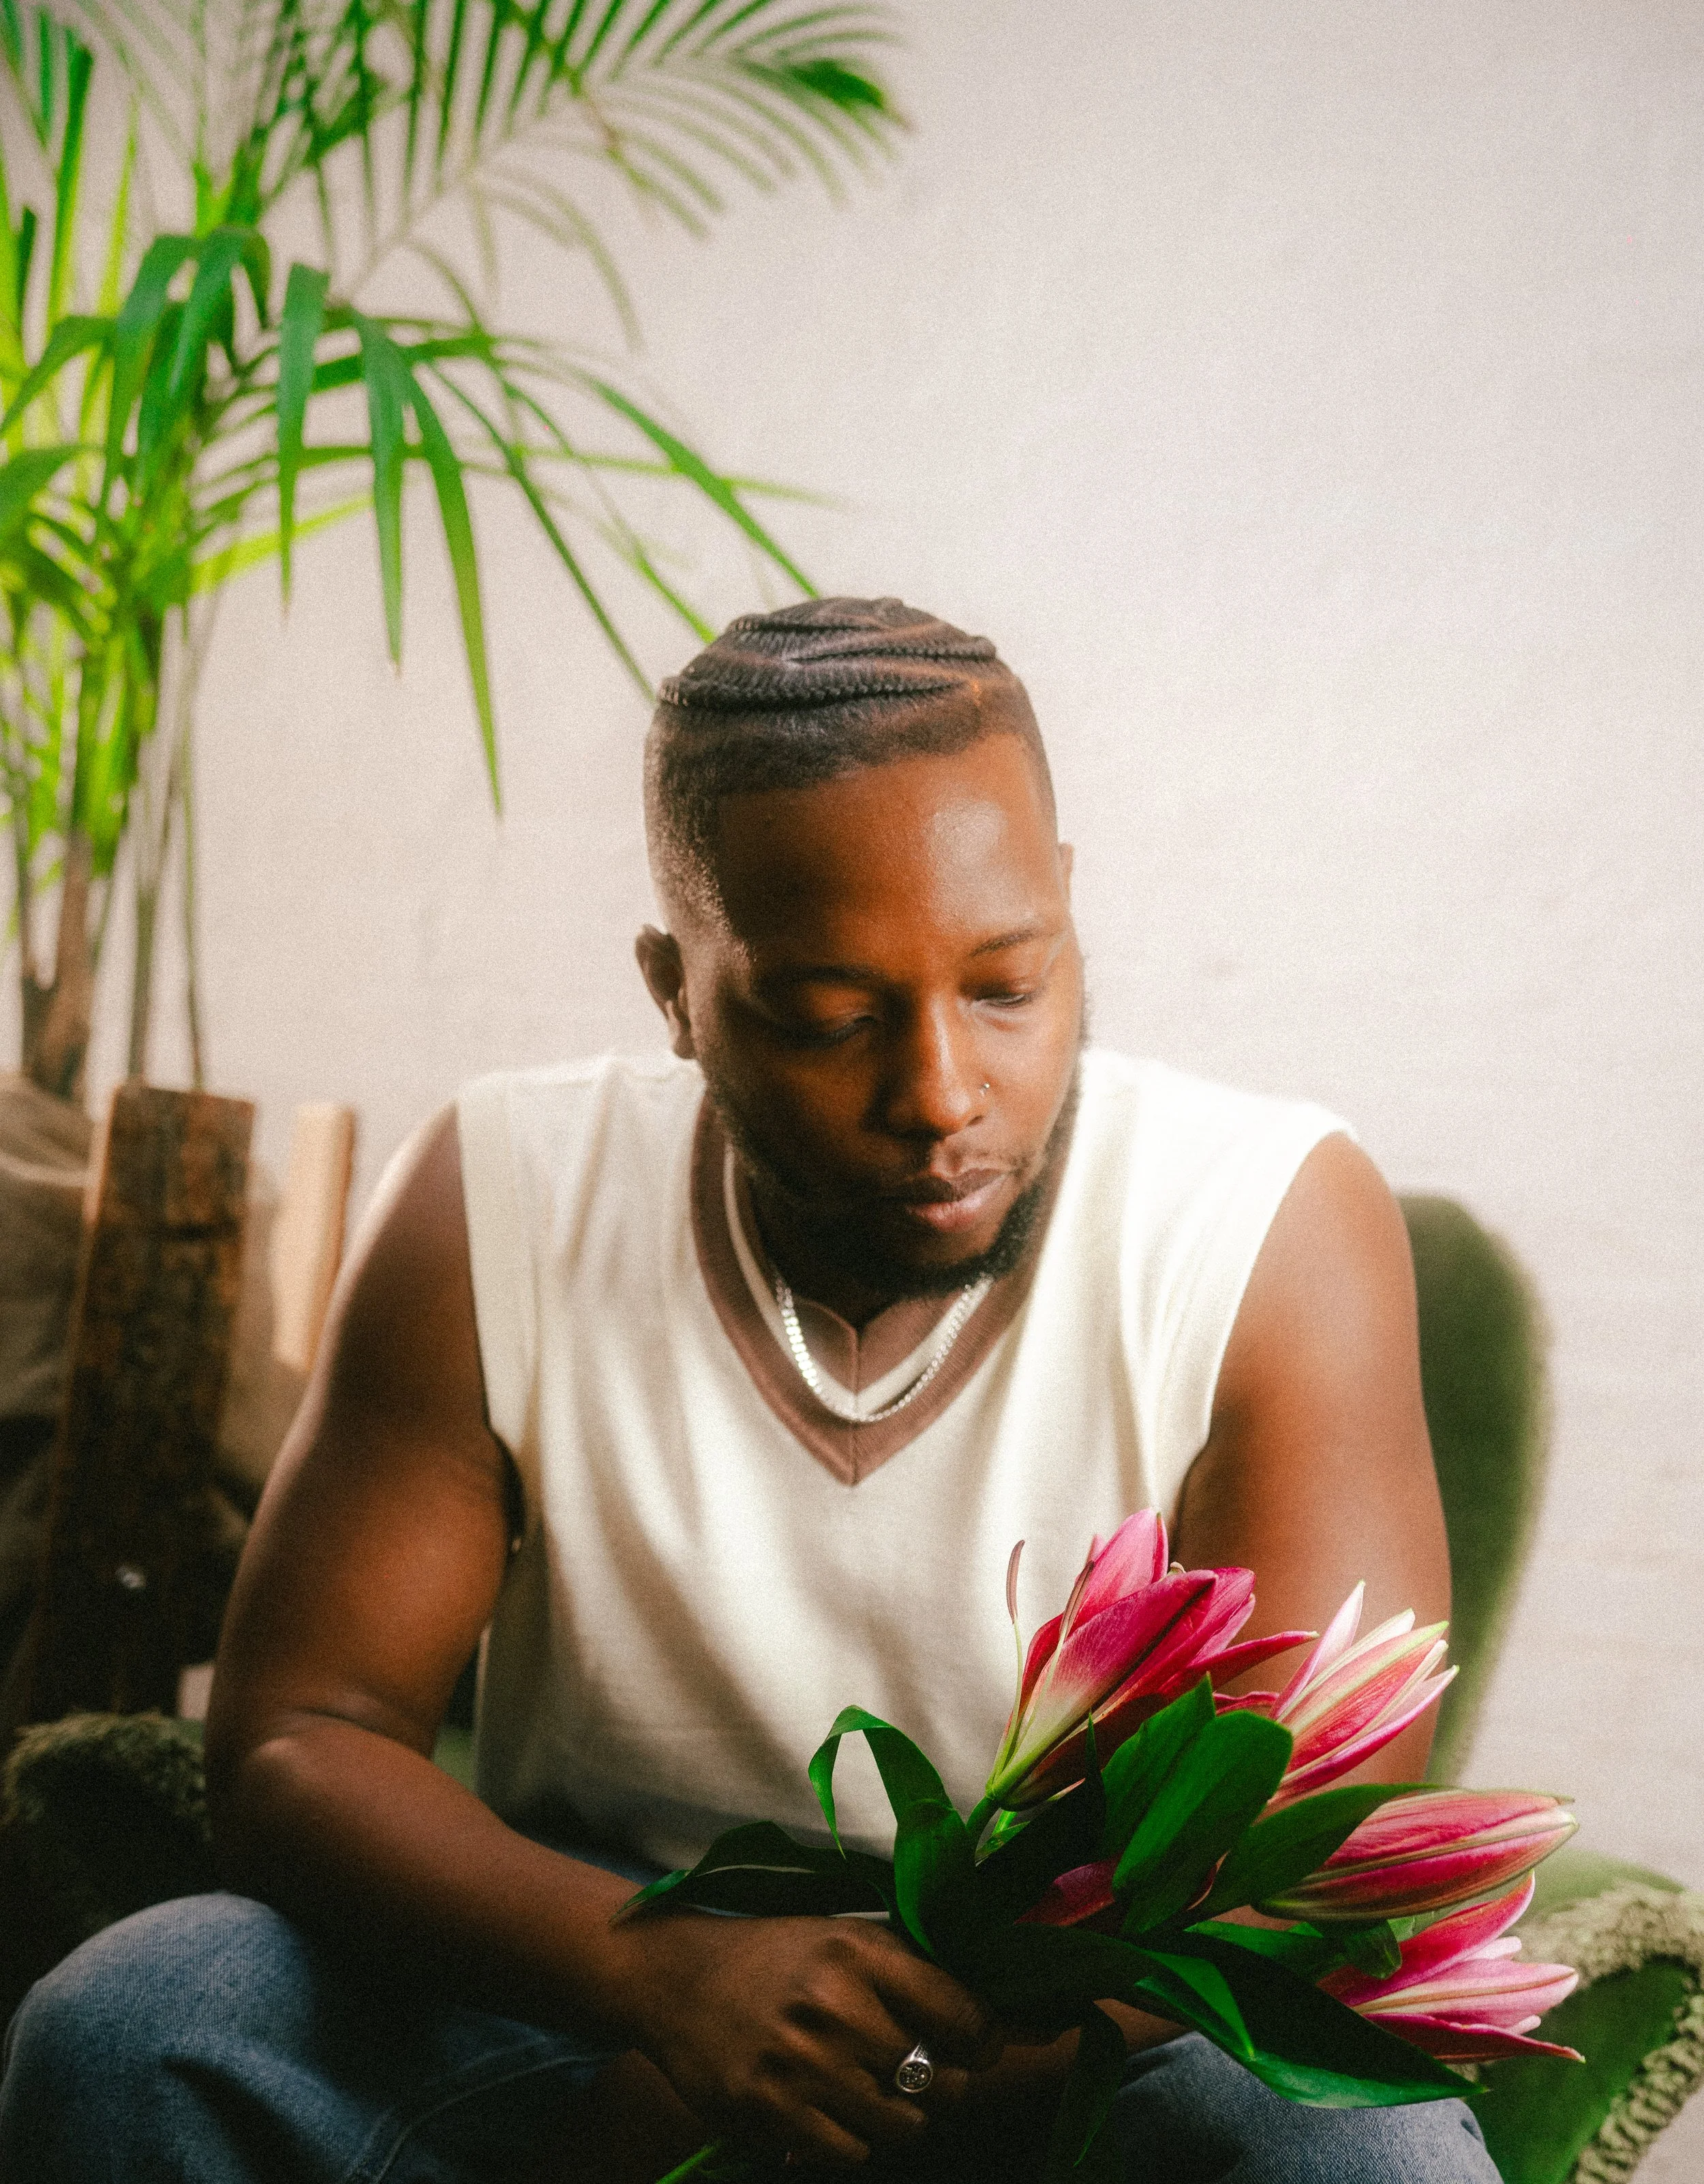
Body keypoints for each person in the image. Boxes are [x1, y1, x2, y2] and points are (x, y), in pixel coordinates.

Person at [0, 598, 1500, 2183]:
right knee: (136, 2021)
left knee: (1372, 2162)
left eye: (1006, 987)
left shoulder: (1263, 1220)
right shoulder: (498, 1197)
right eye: (828, 1015)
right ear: (673, 987)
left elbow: (1297, 1845)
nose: (938, 1096)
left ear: (1065, 908)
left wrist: (888, 2077)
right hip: (594, 1989)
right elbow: (301, 1739)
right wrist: (654, 1980)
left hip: (1081, 2044)